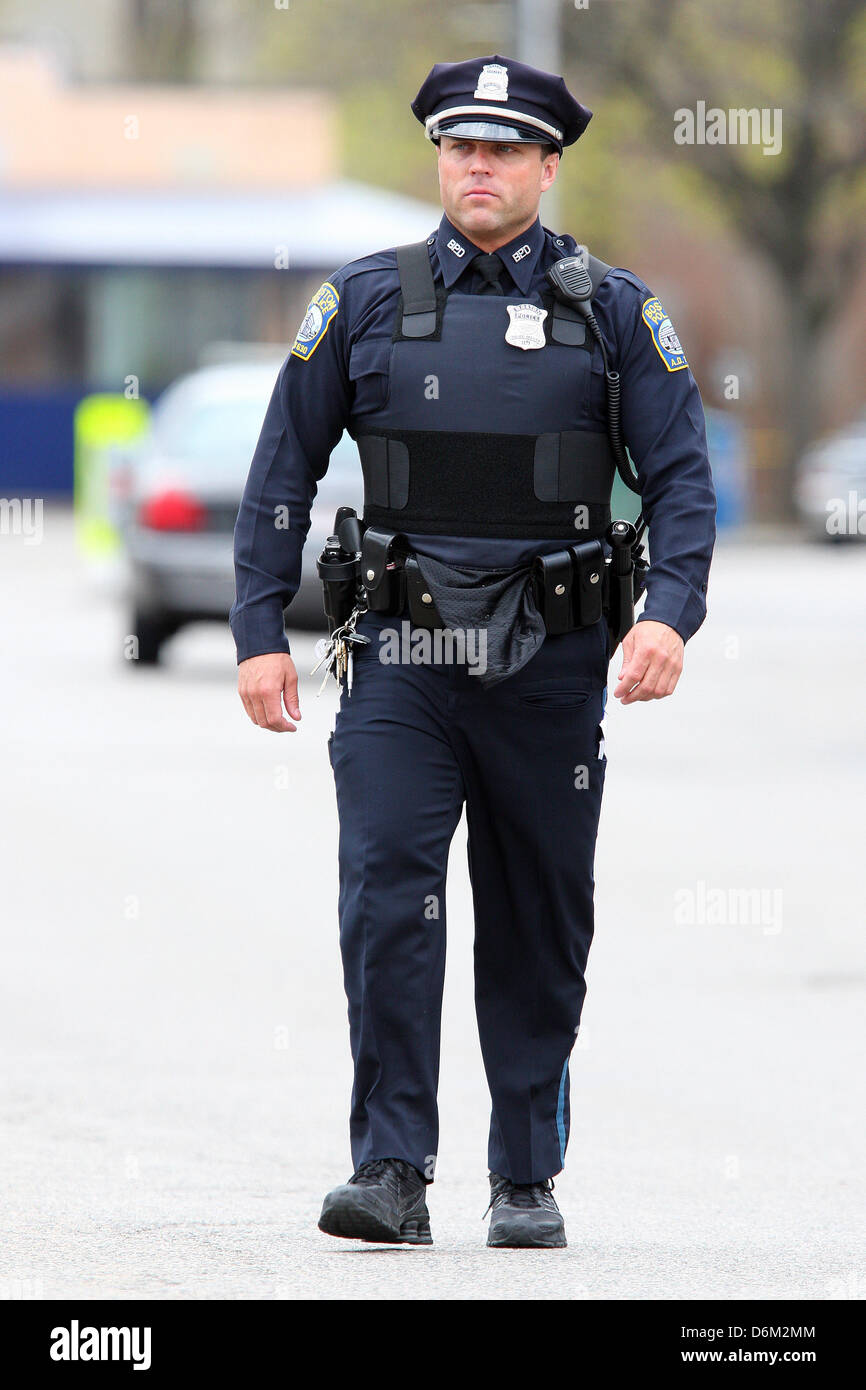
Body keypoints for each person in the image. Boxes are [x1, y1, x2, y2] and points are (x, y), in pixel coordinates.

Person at [231, 54, 716, 1249]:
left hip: (550, 667)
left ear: (547, 168)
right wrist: (255, 632)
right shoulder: (365, 300)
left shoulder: (610, 311)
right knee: (387, 900)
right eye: (460, 148)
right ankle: (390, 1169)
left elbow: (682, 481)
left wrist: (668, 610)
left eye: (504, 151)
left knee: (536, 915)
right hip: (403, 655)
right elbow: (279, 472)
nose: (479, 167)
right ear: (437, 161)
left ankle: (524, 1175)